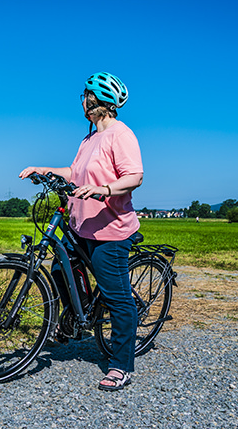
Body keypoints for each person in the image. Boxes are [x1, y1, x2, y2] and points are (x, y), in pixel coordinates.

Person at [19, 71, 144, 392]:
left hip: (110, 231)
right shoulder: (89, 138)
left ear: (99, 100)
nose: (83, 101)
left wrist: (104, 189)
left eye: (86, 96)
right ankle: (76, 319)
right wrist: (43, 169)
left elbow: (134, 176)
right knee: (60, 266)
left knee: (118, 298)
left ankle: (120, 365)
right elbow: (74, 172)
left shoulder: (121, 134)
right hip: (81, 225)